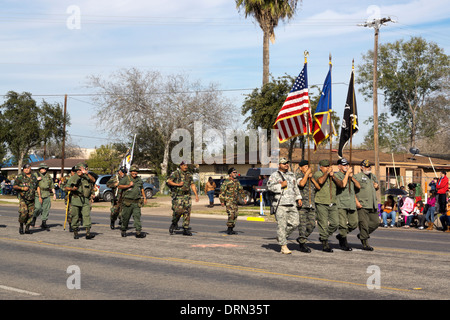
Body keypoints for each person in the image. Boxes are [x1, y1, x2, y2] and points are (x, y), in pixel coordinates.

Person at [267, 158, 302, 254]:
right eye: (284, 163)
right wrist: (280, 186)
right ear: (279, 165)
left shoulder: (291, 175)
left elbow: (295, 187)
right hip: (280, 203)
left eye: (287, 163)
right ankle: (283, 246)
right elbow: (269, 187)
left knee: (295, 223)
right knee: (282, 225)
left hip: (291, 203)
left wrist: (299, 197)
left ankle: (281, 237)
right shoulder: (274, 175)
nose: (286, 165)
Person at [313, 159, 341, 252]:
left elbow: (340, 185)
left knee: (335, 223)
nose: (328, 168)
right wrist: (327, 174)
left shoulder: (333, 175)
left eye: (329, 166)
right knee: (323, 223)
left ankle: (324, 236)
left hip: (332, 202)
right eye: (326, 166)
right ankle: (325, 243)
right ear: (321, 167)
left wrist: (333, 177)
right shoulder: (318, 174)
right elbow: (320, 182)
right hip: (321, 202)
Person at [334, 158, 361, 251]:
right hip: (341, 202)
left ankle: (341, 235)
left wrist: (351, 177)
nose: (346, 167)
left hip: (351, 203)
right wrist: (346, 175)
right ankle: (343, 243)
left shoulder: (350, 176)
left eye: (347, 165)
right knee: (342, 225)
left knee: (354, 223)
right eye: (344, 165)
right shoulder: (336, 175)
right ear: (339, 166)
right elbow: (342, 185)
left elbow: (358, 186)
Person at [64, 163, 96, 239]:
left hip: (85, 200)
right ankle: (75, 233)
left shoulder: (87, 177)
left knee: (86, 216)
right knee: (75, 216)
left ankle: (88, 234)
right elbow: (66, 187)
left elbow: (93, 180)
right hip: (76, 199)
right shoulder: (73, 178)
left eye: (80, 170)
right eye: (77, 170)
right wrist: (72, 189)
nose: (78, 171)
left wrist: (87, 174)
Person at [167, 161, 199, 236]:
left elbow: (192, 184)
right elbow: (169, 181)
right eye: (184, 165)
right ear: (180, 166)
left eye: (186, 165)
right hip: (178, 196)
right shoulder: (176, 173)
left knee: (187, 212)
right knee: (178, 211)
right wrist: (177, 184)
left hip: (187, 196)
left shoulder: (189, 174)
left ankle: (186, 228)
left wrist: (196, 195)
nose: (186, 167)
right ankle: (174, 223)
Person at [354, 160, 379, 251]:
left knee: (376, 222)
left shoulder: (373, 176)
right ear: (361, 167)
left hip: (372, 204)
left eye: (369, 167)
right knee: (363, 225)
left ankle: (362, 235)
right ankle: (365, 244)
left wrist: (377, 186)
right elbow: (352, 191)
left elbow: (376, 186)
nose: (368, 168)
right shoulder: (357, 177)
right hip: (362, 204)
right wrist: (356, 202)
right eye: (366, 167)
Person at [295, 159, 320, 253]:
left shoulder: (310, 177)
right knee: (302, 226)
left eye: (307, 166)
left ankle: (302, 239)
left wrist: (311, 178)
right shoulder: (298, 176)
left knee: (312, 225)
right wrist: (306, 175)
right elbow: (301, 184)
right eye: (304, 167)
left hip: (311, 204)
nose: (307, 168)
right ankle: (302, 244)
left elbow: (318, 187)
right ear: (301, 168)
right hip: (302, 205)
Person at [117, 165, 146, 238]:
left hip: (136, 202)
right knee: (125, 218)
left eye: (136, 171)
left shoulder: (139, 179)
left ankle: (138, 232)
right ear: (130, 172)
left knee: (137, 217)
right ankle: (123, 230)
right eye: (133, 171)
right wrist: (128, 186)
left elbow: (142, 188)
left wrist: (144, 197)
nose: (135, 173)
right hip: (127, 202)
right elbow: (119, 186)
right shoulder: (126, 179)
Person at [219, 167, 247, 235]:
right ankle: (229, 229)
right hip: (229, 201)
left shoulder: (236, 181)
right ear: (230, 174)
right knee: (231, 214)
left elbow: (241, 190)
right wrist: (222, 201)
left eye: (236, 172)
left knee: (235, 215)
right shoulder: (226, 182)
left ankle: (232, 228)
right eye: (234, 172)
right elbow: (222, 191)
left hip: (235, 201)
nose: (235, 174)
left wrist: (244, 197)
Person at [13, 164, 38, 235]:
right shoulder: (20, 176)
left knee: (30, 214)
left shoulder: (33, 177)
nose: (26, 169)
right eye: (25, 168)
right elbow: (14, 186)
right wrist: (22, 188)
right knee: (23, 213)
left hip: (32, 198)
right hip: (23, 198)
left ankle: (27, 228)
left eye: (28, 168)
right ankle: (21, 226)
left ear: (30, 168)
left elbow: (37, 186)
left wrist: (39, 196)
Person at [31, 163, 56, 229]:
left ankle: (44, 222)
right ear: (39, 169)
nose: (43, 169)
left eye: (45, 168)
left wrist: (54, 194)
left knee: (46, 209)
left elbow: (52, 185)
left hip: (46, 193)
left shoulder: (48, 176)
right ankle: (33, 219)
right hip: (38, 193)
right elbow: (31, 183)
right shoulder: (35, 175)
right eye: (42, 168)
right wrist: (36, 180)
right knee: (38, 208)